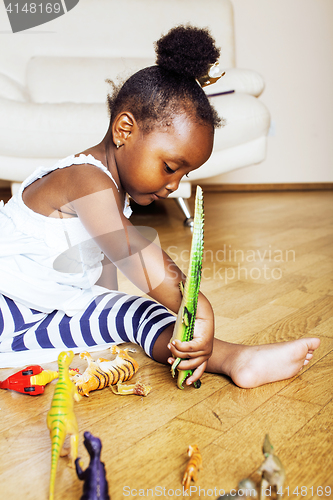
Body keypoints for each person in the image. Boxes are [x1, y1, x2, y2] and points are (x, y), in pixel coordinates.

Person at [0, 26, 320, 386]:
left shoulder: (112, 193)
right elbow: (128, 248)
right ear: (124, 130)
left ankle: (236, 360)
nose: (174, 185)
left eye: (185, 174)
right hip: (6, 305)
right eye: (170, 167)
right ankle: (231, 356)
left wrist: (108, 317)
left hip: (44, 316)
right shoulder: (84, 178)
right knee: (152, 309)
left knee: (140, 312)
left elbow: (99, 275)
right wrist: (196, 304)